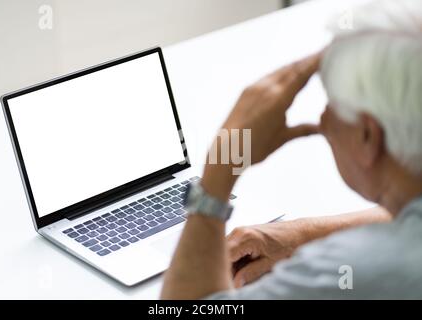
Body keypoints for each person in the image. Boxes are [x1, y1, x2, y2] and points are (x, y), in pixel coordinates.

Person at [160, 15, 422, 299]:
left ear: (367, 137)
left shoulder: (347, 272)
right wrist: (303, 234)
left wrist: (220, 170)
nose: (322, 120)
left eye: (330, 104)